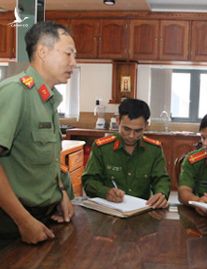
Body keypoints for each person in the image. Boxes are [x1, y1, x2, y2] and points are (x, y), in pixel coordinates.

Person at [0, 21, 77, 245]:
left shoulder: (47, 98)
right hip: (14, 222)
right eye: (69, 54)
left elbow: (47, 159)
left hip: (46, 216)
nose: (74, 62)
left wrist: (60, 191)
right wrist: (24, 222)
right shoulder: (16, 92)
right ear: (43, 52)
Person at [82, 98, 170, 208]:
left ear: (146, 125)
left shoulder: (153, 149)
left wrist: (161, 193)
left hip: (141, 210)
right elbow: (89, 181)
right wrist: (105, 192)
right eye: (127, 129)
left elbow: (161, 179)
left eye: (138, 130)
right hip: (109, 210)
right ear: (118, 121)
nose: (132, 135)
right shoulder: (102, 147)